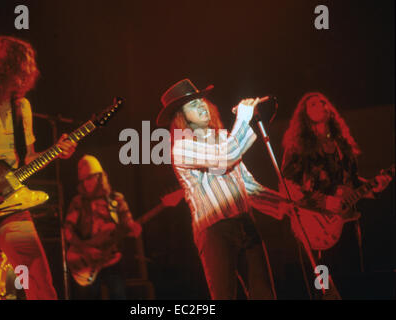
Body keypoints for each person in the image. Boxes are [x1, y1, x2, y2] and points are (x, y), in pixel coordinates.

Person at [0, 36, 77, 299]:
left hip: (15, 210)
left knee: (40, 285)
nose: (21, 80)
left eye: (25, 74)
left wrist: (57, 151)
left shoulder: (23, 107)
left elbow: (28, 158)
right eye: (15, 73)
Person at [157, 79, 286, 300]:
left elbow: (248, 186)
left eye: (201, 100)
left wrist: (286, 205)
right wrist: (243, 119)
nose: (201, 105)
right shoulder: (181, 147)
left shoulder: (225, 138)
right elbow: (225, 158)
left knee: (264, 294)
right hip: (215, 231)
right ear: (181, 116)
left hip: (246, 223)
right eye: (192, 104)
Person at [281, 92, 392, 299]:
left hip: (345, 223)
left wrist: (374, 186)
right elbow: (288, 186)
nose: (320, 105)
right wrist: (325, 201)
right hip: (314, 223)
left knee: (350, 281)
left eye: (323, 102)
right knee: (323, 285)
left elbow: (351, 182)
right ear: (304, 115)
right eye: (312, 104)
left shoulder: (342, 144)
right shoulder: (298, 146)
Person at [64, 155, 141, 299]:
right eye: (83, 180)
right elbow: (67, 231)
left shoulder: (117, 199)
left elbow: (127, 225)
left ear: (100, 177)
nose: (86, 183)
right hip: (86, 262)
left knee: (118, 293)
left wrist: (133, 230)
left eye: (90, 178)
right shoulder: (78, 202)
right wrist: (85, 248)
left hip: (112, 259)